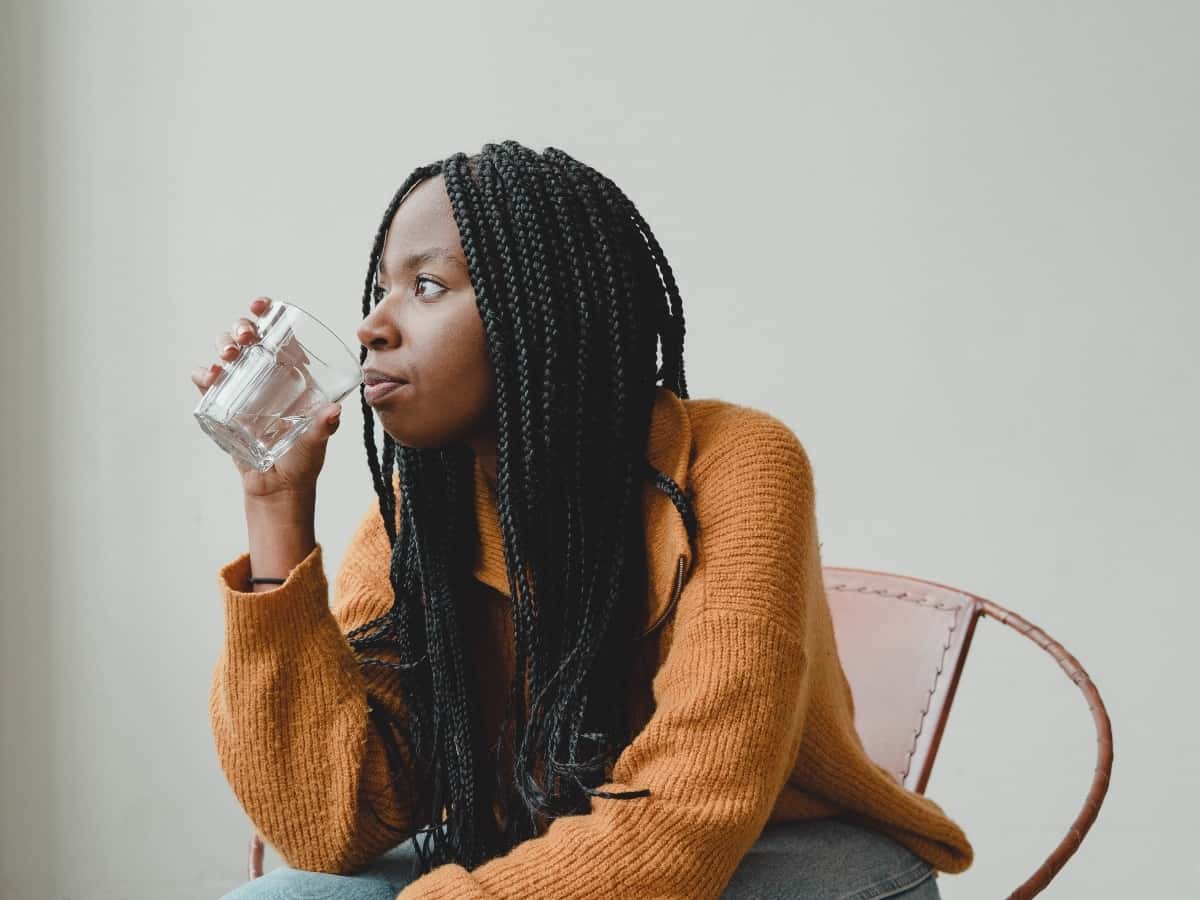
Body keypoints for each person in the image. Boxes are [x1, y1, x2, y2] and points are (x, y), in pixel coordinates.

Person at [192, 142, 973, 899]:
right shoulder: (420, 513)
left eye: (425, 286)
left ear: (542, 304)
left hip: (783, 854)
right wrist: (274, 505)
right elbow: (332, 826)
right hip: (543, 851)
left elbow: (686, 816)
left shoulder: (738, 463)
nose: (373, 326)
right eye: (382, 290)